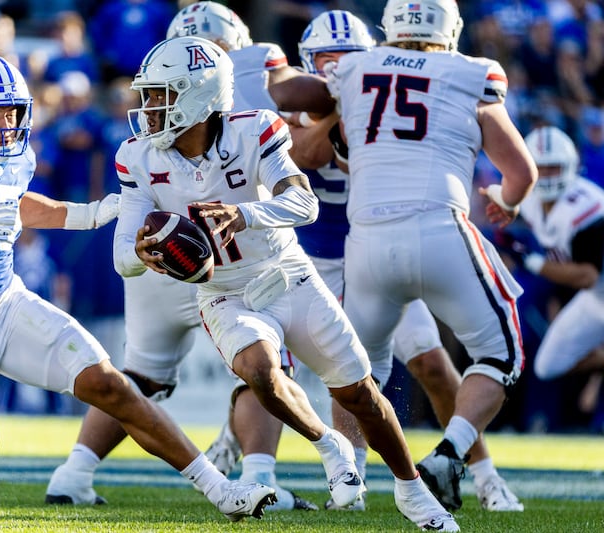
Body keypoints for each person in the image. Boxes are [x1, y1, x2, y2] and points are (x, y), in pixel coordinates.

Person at [0, 53, 276, 521]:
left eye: (12, 113)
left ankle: (221, 490)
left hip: (5, 304)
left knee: (109, 384)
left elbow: (14, 203)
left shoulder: (15, 156)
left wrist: (89, 214)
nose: (6, 126)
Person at [110, 35, 459, 531]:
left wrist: (244, 214)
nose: (148, 108)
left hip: (289, 276)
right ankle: (329, 444)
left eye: (160, 95)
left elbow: (303, 203)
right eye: (148, 96)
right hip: (224, 292)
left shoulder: (254, 129)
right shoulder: (138, 156)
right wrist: (141, 254)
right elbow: (123, 254)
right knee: (259, 369)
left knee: (359, 394)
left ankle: (412, 491)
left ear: (199, 96)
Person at [46, 2, 331, 512]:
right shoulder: (254, 67)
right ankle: (260, 479)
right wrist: (344, 92)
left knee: (142, 376)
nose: (153, 102)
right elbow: (315, 96)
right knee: (263, 368)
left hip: (161, 249)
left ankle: (74, 472)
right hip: (231, 259)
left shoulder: (154, 118)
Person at [289, 9, 524, 513]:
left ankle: (484, 476)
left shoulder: (362, 77)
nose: (334, 66)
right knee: (353, 372)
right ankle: (350, 478)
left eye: (344, 58)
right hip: (336, 258)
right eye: (326, 60)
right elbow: (305, 150)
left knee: (425, 366)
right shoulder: (344, 91)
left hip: (368, 249)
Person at [518, 126, 604, 385]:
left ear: (569, 166)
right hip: (595, 299)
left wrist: (531, 262)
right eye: (540, 168)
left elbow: (587, 276)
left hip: (592, 287)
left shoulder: (588, 207)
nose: (545, 175)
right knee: (547, 366)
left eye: (553, 168)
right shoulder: (527, 200)